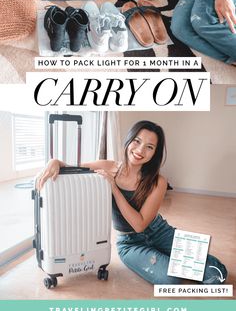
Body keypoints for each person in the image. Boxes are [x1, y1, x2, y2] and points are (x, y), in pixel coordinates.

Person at [37, 120, 227, 285]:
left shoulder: (158, 181)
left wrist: (113, 188)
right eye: (137, 141)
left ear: (155, 153)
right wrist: (55, 161)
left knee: (217, 273)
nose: (140, 150)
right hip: (130, 243)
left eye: (149, 147)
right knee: (170, 279)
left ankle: (172, 255)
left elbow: (140, 224)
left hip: (159, 231)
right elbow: (72, 169)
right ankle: (171, 259)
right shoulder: (107, 166)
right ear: (129, 140)